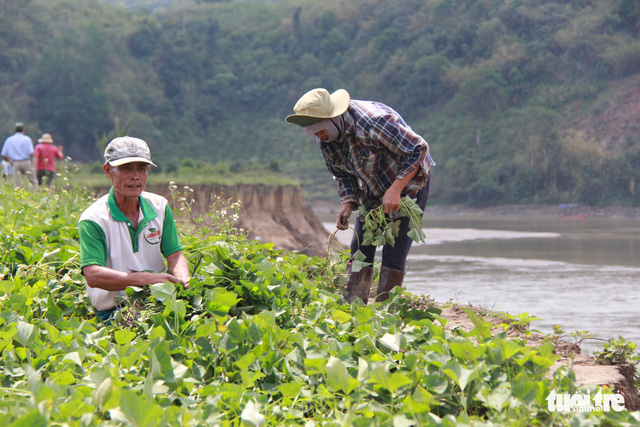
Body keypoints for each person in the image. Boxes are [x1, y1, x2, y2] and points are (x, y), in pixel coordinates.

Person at [286, 88, 435, 304]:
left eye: (321, 132)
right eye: (316, 134)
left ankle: (386, 312)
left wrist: (396, 189)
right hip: (371, 190)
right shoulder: (326, 141)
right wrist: (348, 203)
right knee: (360, 252)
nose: (320, 138)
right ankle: (353, 307)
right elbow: (342, 174)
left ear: (334, 120)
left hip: (408, 185)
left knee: (394, 253)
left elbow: (418, 149)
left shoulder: (374, 122)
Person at [78, 136, 190, 321]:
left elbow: (175, 255)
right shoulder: (94, 219)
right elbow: (93, 274)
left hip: (159, 302)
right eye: (126, 168)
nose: (135, 176)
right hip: (115, 312)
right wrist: (143, 280)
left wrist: (183, 280)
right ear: (108, 171)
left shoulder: (159, 206)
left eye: (141, 168)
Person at [1, 122, 37, 189]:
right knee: (33, 181)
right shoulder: (27, 139)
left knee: (17, 184)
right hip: (26, 162)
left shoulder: (9, 139)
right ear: (23, 131)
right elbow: (31, 153)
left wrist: (10, 161)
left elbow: (4, 153)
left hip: (15, 162)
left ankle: (18, 196)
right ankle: (34, 193)